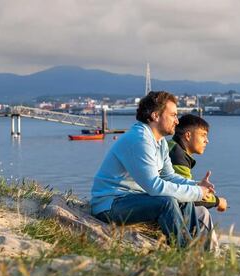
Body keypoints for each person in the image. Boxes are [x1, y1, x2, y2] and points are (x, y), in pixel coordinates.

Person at [91, 91, 215, 248]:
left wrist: (196, 187)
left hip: (133, 199)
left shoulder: (160, 141)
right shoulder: (140, 139)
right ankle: (187, 255)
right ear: (156, 116)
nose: (177, 121)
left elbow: (169, 176)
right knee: (166, 202)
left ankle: (196, 251)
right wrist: (198, 193)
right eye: (173, 115)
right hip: (110, 205)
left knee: (185, 200)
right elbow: (155, 187)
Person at [169, 114, 228, 249]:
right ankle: (211, 258)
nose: (207, 141)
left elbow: (179, 185)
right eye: (203, 135)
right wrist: (218, 201)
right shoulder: (177, 155)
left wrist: (196, 186)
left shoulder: (173, 147)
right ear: (188, 135)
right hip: (160, 205)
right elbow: (185, 196)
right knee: (202, 212)